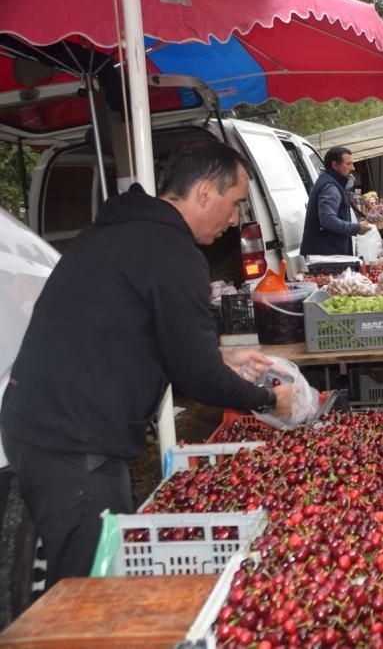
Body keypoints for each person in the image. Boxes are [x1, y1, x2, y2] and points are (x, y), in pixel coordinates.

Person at [0, 141, 294, 588]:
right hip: (73, 438)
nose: (235, 220)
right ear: (203, 194)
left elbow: (137, 331)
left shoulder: (122, 230)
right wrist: (271, 400)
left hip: (45, 418)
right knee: (87, 584)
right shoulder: (172, 253)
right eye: (235, 204)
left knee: (106, 551)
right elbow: (198, 378)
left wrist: (221, 355)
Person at [300, 146, 371, 257]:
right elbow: (328, 220)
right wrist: (356, 228)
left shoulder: (328, 181)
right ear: (335, 165)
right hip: (326, 256)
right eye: (348, 164)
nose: (352, 168)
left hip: (326, 253)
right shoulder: (330, 187)